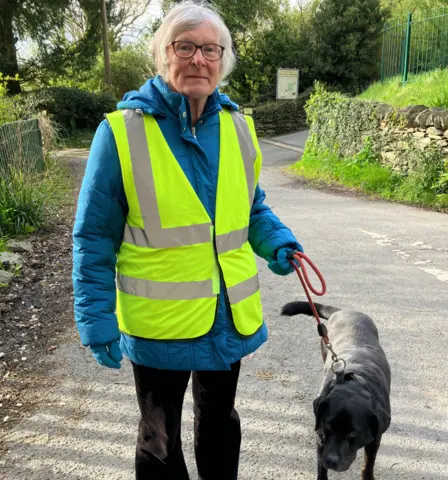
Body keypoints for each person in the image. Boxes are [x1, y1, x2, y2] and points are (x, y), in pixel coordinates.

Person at [72, 1, 303, 479]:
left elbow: (250, 206)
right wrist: (96, 320)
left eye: (210, 49)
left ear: (222, 59)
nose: (198, 59)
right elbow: (94, 236)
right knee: (158, 438)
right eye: (185, 47)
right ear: (163, 55)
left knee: (220, 423)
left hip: (226, 318)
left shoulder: (239, 127)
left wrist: (277, 241)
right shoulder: (120, 134)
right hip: (159, 325)